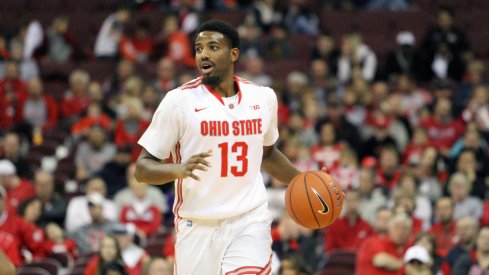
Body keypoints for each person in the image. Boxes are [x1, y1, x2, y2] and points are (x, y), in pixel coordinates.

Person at [135, 20, 306, 275]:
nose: (203, 53)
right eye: (198, 48)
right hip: (198, 224)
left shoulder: (263, 98)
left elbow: (267, 154)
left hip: (249, 219)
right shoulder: (179, 102)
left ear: (233, 53)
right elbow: (142, 168)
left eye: (213, 47)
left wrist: (303, 181)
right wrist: (178, 169)